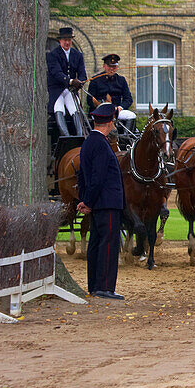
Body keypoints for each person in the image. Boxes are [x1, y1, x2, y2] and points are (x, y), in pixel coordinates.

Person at [76, 103, 126, 300]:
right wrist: (88, 201)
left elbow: (82, 176)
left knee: (96, 243)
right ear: (110, 122)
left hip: (98, 202)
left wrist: (85, 199)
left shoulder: (89, 142)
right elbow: (98, 177)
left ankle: (95, 285)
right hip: (107, 202)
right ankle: (104, 287)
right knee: (108, 244)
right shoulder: (101, 144)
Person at [46, 26, 88, 138]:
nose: (67, 42)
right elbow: (56, 73)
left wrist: (81, 81)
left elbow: (82, 72)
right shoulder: (53, 55)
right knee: (58, 108)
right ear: (60, 41)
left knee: (75, 109)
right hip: (57, 89)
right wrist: (70, 81)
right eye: (65, 40)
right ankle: (65, 137)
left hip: (70, 90)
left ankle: (80, 136)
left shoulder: (77, 55)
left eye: (69, 40)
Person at [87, 53, 137, 135]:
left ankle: (125, 138)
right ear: (104, 66)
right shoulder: (95, 80)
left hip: (116, 110)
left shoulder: (121, 80)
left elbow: (128, 99)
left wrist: (120, 108)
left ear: (117, 67)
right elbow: (89, 100)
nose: (111, 69)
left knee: (131, 115)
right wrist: (102, 105)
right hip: (99, 110)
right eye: (109, 66)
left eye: (114, 67)